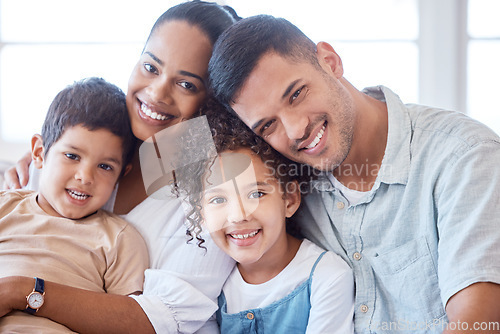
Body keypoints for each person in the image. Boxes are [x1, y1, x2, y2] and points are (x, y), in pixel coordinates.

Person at [207, 15, 500, 333]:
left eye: (296, 94)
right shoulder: (285, 185)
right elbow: (187, 168)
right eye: (268, 125)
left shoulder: (464, 155)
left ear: (330, 61)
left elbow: (477, 326)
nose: (295, 130)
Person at [0, 1, 239, 333]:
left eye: (186, 84)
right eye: (151, 67)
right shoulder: (88, 134)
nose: (156, 93)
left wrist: (24, 291)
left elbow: (159, 318)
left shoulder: (213, 192)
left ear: (212, 100)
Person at [175, 104, 355, 334]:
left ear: (288, 199)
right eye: (218, 200)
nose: (239, 215)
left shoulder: (327, 276)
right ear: (201, 213)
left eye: (256, 194)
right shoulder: (209, 287)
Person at [0, 77, 149, 332]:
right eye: (72, 156)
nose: (85, 177)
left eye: (105, 166)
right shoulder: (6, 207)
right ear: (39, 153)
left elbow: (125, 321)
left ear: (120, 176)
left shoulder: (120, 239)